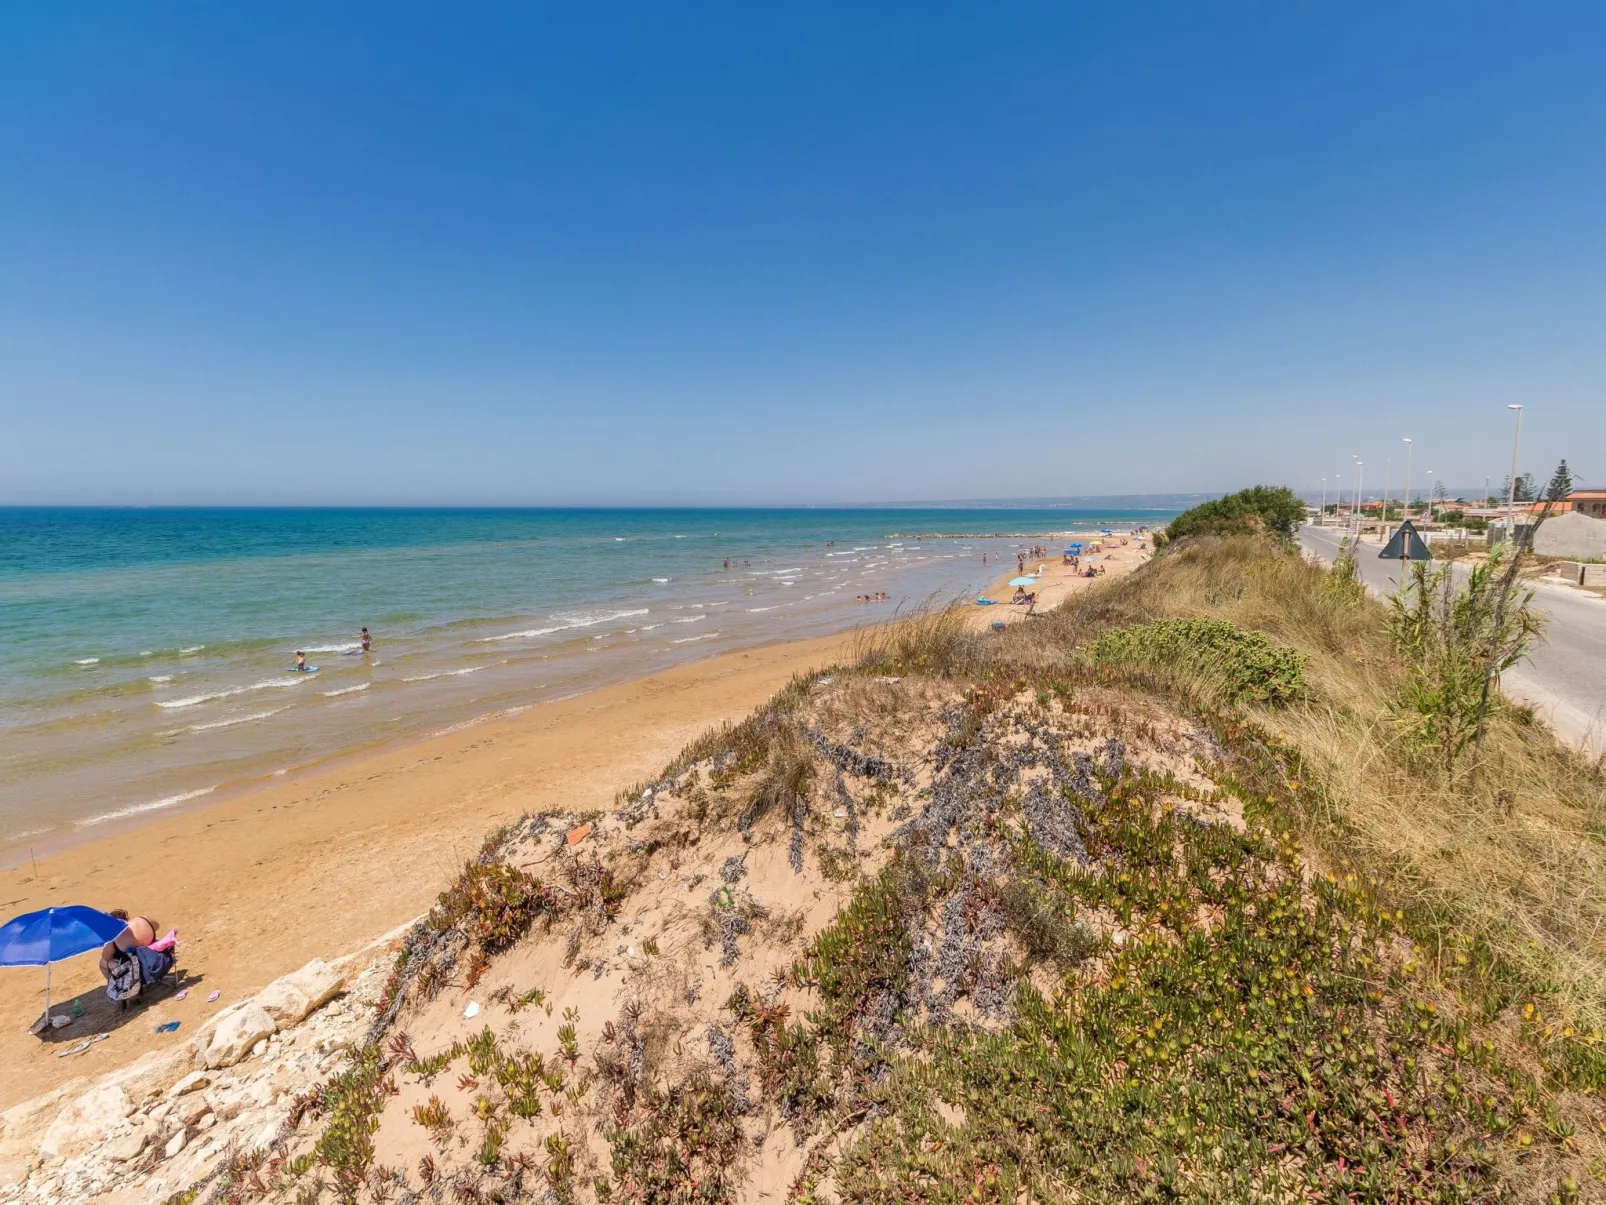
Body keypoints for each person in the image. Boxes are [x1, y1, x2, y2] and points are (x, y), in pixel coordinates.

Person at [98, 910, 157, 985]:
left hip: (139, 970)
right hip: (157, 959)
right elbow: (156, 926)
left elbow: (106, 957)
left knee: (103, 963)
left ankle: (118, 987)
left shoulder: (113, 938)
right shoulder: (143, 919)